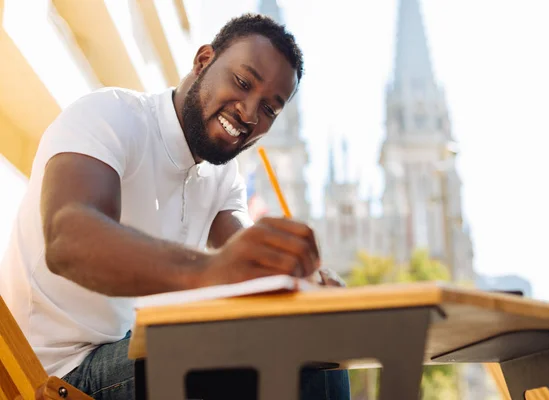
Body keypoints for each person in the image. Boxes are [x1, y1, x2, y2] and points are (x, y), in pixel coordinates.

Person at [0, 13, 350, 400]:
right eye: (242, 82)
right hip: (55, 376)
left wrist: (302, 283)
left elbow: (252, 267)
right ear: (203, 61)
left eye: (269, 109)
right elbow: (67, 240)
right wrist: (213, 271)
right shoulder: (110, 115)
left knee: (316, 348)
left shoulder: (222, 178)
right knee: (264, 355)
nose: (249, 114)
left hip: (129, 356)